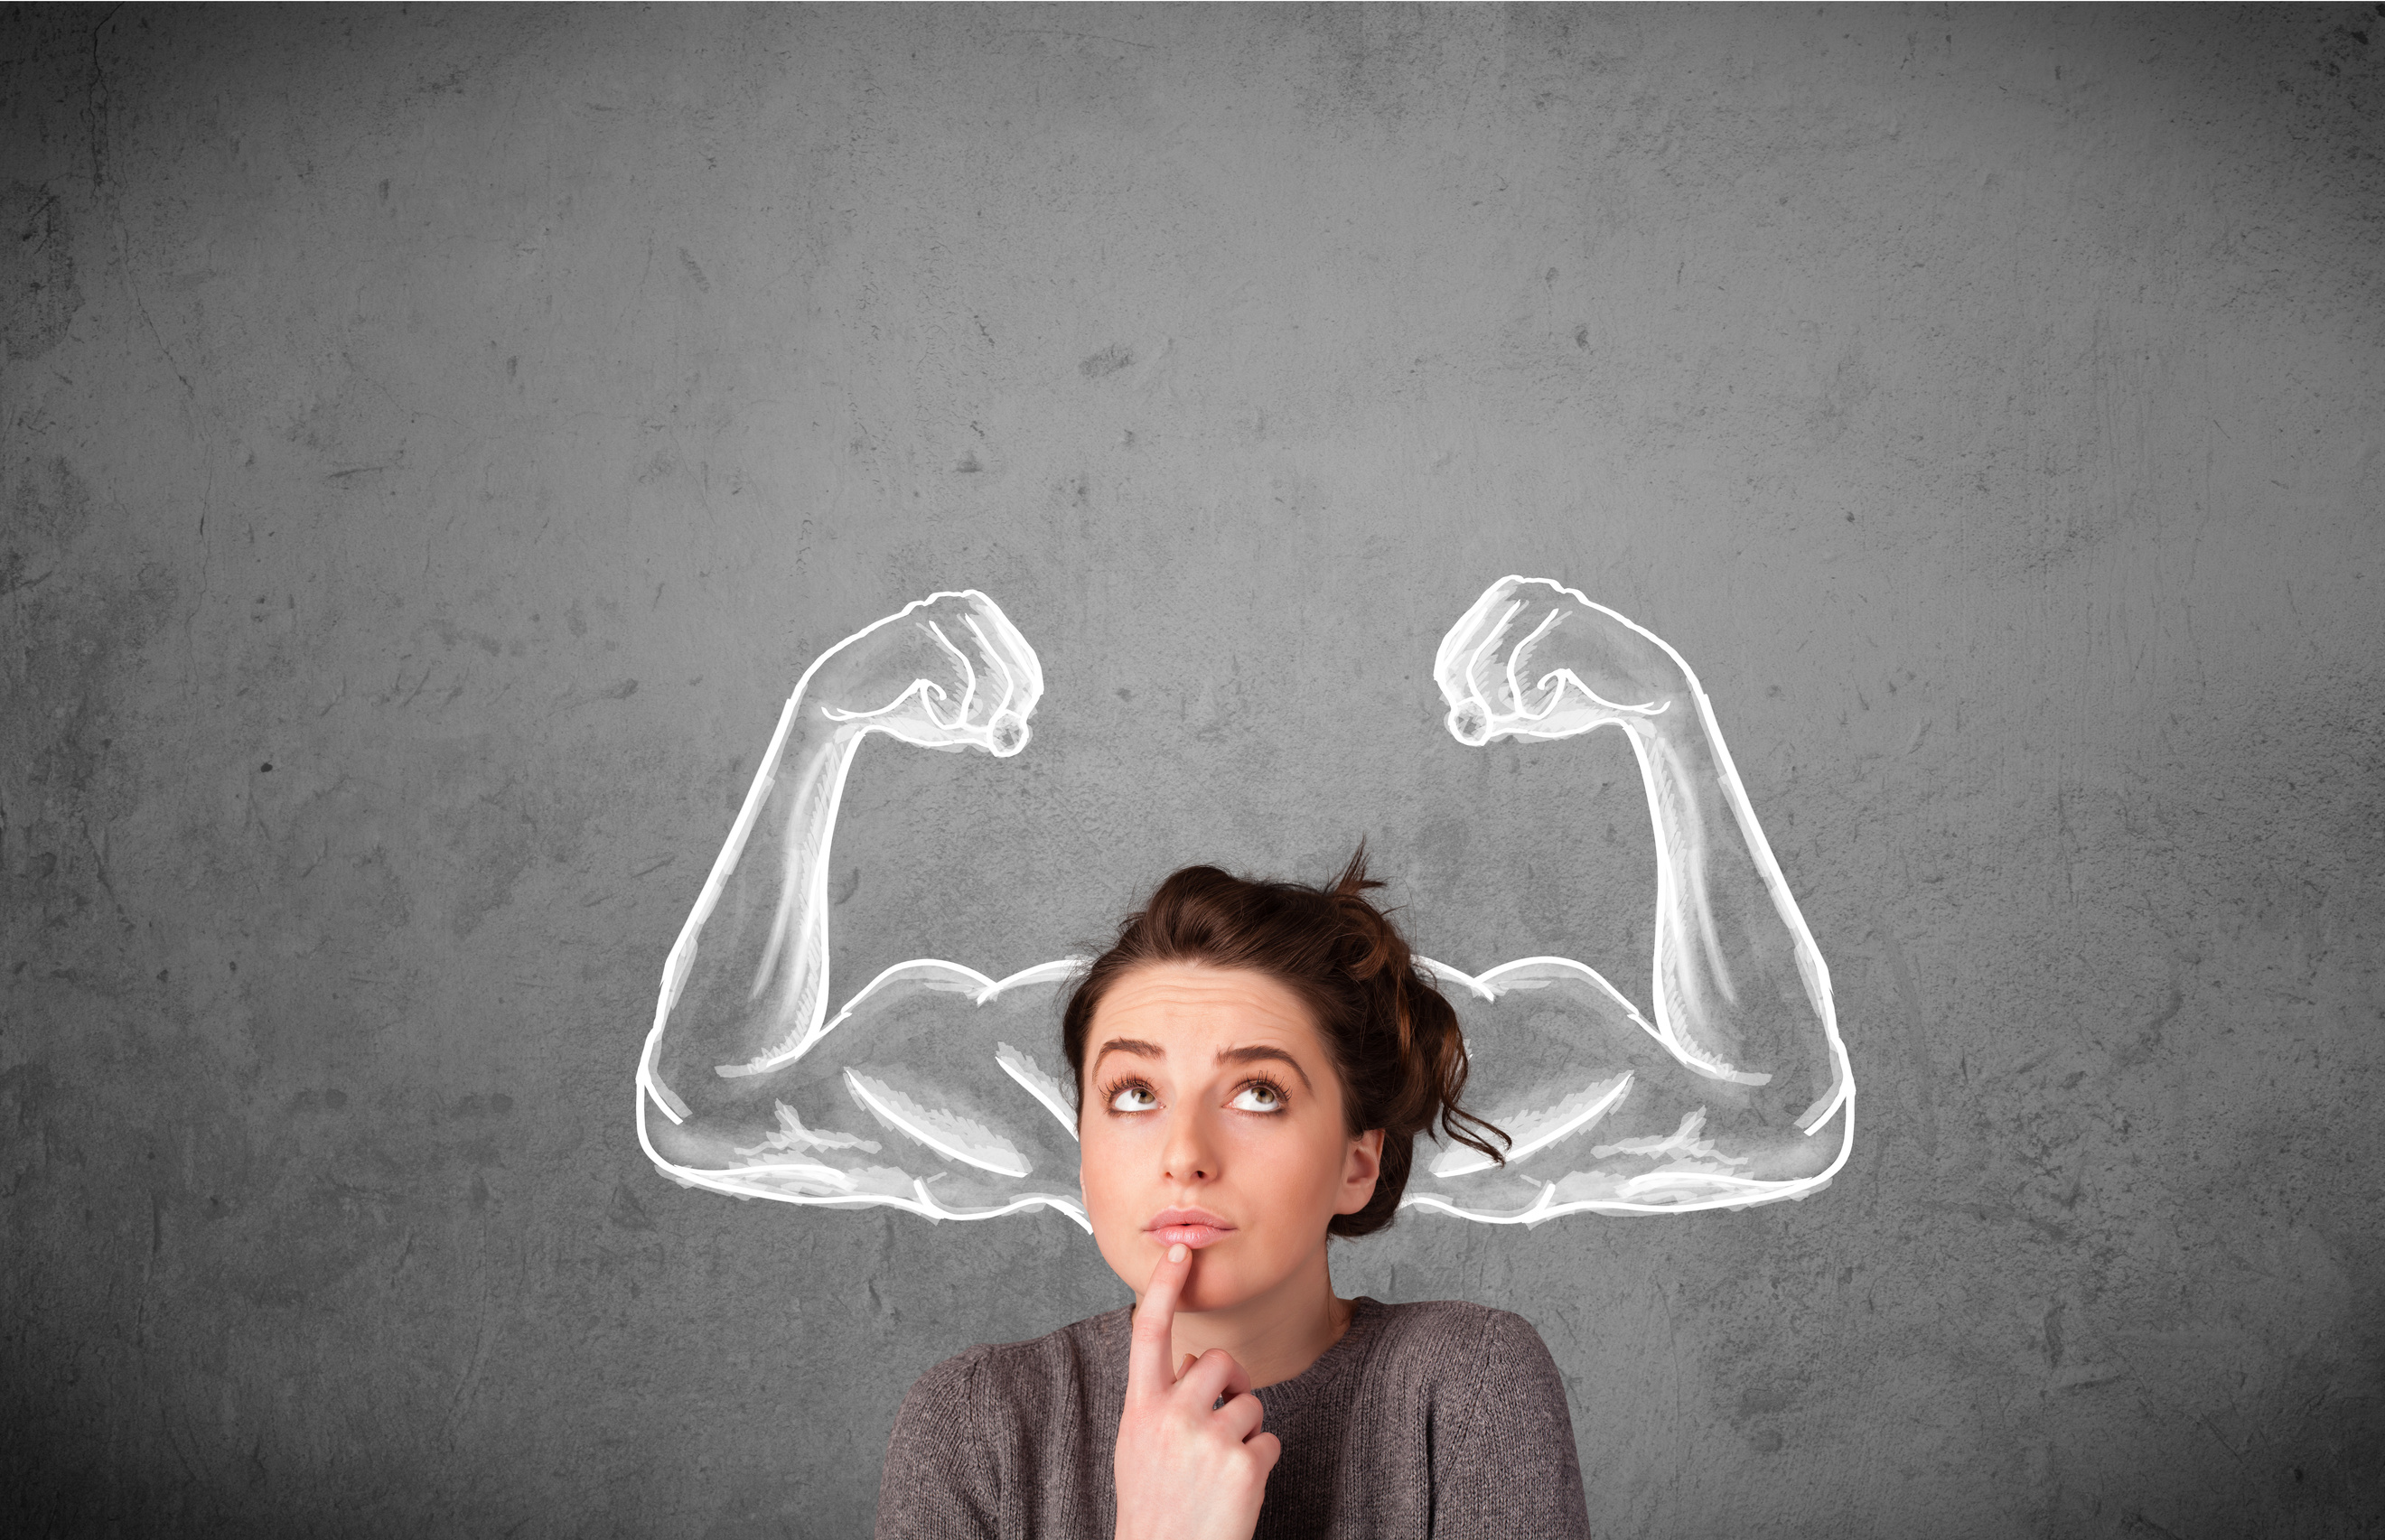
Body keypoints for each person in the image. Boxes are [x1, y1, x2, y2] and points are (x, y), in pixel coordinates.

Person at [870, 852, 1593, 1539]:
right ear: (1084, 1150)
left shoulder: (1468, 1385)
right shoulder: (974, 1423)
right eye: (1136, 1093)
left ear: (1357, 1163)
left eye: (1258, 1093)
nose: (1185, 1154)